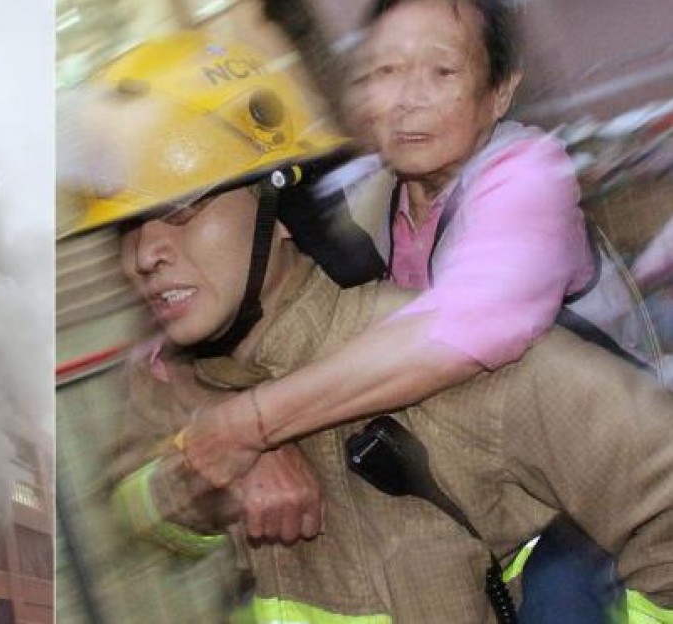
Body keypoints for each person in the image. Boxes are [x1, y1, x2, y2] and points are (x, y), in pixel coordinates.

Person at [62, 31, 673, 622]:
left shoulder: (435, 360)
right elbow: (134, 501)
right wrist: (210, 473)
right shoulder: (175, 383)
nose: (144, 255)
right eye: (127, 228)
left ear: (280, 209)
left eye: (178, 209)